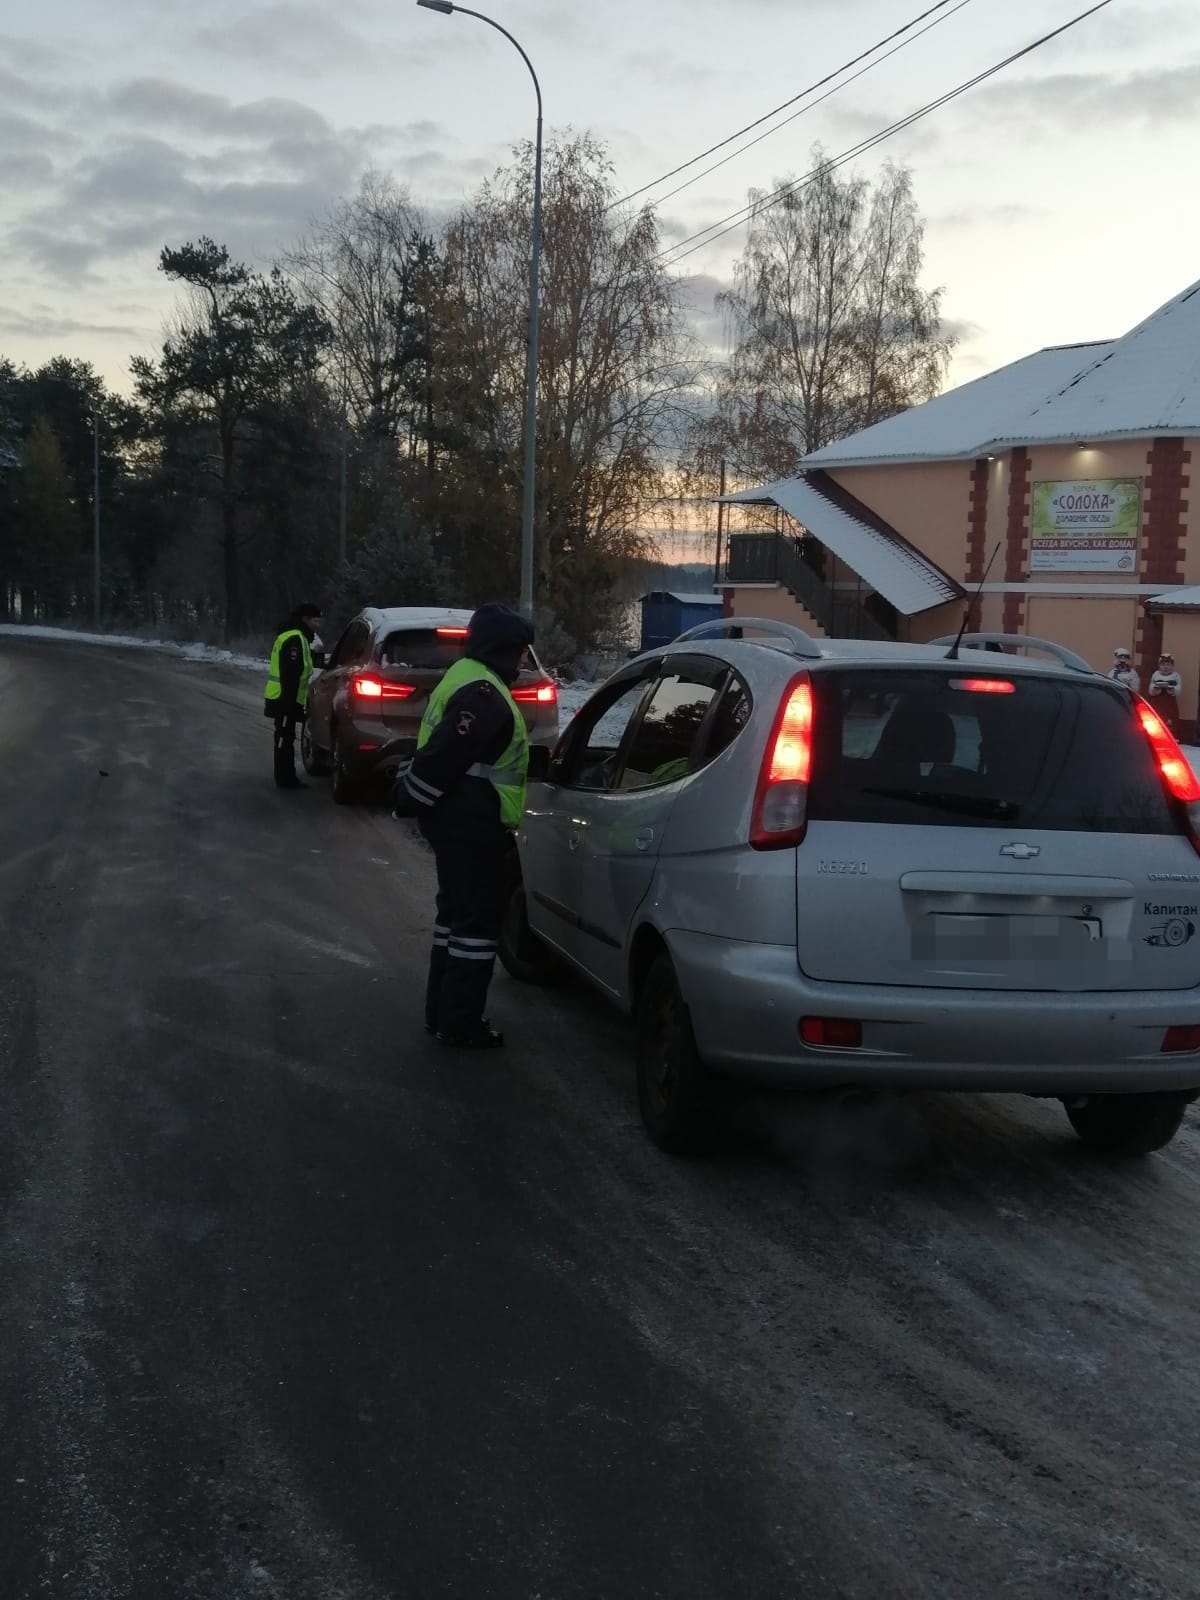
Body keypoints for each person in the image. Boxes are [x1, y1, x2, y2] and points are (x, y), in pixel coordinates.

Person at [392, 603, 535, 1048]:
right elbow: (446, 756)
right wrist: (409, 798)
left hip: (458, 819)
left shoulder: (470, 678)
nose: (525, 661)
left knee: (453, 921)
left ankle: (442, 1015)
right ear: (503, 650)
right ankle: (460, 1023)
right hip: (471, 825)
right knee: (475, 928)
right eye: (521, 652)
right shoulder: (484, 695)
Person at [263, 603, 322, 789]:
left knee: (285, 737)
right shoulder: (295, 639)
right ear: (305, 619)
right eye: (315, 620)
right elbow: (291, 674)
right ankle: (284, 778)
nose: (317, 625)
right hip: (284, 699)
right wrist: (291, 706)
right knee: (284, 738)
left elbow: (302, 664)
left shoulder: (296, 637)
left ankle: (286, 775)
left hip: (284, 699)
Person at [1149, 652, 1184, 733]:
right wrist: (1155, 690)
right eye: (1163, 664)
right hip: (1157, 702)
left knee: (1170, 720)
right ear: (1159, 666)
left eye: (1168, 665)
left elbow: (1179, 689)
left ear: (1172, 666)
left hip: (1170, 703)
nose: (1165, 667)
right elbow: (1150, 689)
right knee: (1157, 719)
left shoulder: (1175, 676)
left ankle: (1172, 734)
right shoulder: (1155, 675)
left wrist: (1172, 689)